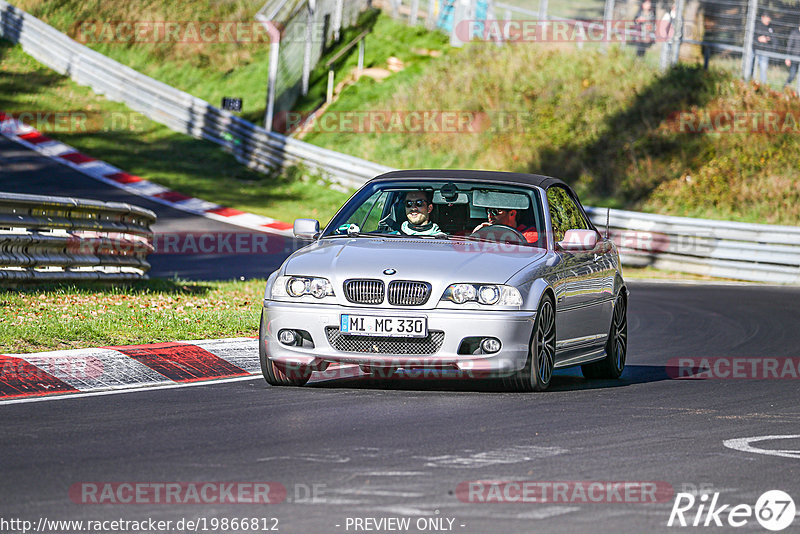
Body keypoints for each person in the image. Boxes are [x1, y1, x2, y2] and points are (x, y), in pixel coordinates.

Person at [472, 207, 539, 243]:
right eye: (488, 211)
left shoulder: (530, 234)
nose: (490, 215)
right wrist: (475, 234)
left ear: (512, 213)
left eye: (496, 211)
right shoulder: (484, 233)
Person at [751, 12, 775, 84]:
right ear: (762, 17)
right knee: (751, 68)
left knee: (763, 69)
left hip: (765, 52)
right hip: (755, 50)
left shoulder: (770, 28)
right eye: (767, 18)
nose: (768, 20)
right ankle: (749, 83)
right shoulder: (756, 26)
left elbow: (774, 39)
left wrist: (768, 39)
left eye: (769, 19)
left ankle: (763, 86)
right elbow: (751, 38)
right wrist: (758, 39)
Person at [785, 23, 800, 89]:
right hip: (794, 57)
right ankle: (785, 87)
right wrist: (787, 57)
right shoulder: (794, 33)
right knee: (792, 75)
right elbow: (789, 46)